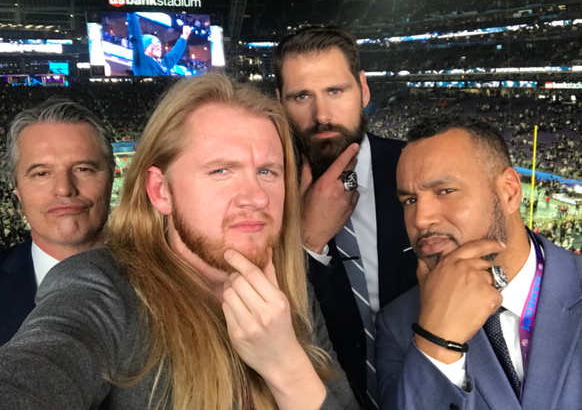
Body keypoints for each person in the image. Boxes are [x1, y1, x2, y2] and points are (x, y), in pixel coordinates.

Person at [0, 74, 359, 410]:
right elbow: (39, 367)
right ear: (160, 191)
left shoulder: (285, 286)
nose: (256, 197)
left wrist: (286, 365)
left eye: (267, 171)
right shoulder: (104, 288)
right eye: (221, 170)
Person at [376, 115, 582, 410]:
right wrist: (437, 343)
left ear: (509, 191)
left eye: (445, 191)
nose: (420, 219)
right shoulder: (397, 324)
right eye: (409, 201)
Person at [273, 26, 417, 408]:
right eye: (301, 96)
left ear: (363, 90)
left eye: (336, 91)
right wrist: (307, 241)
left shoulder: (418, 169)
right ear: (279, 102)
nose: (321, 115)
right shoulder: (265, 194)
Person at [0, 99, 114, 346]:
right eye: (41, 173)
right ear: (17, 189)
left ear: (110, 177)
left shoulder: (175, 280)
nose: (64, 188)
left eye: (83, 169)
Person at [127, 12, 191, 76]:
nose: (158, 47)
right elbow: (136, 37)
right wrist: (131, 14)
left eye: (159, 45)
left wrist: (184, 36)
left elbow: (175, 53)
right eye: (154, 45)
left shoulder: (164, 63)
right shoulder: (142, 60)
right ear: (144, 48)